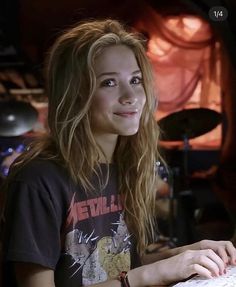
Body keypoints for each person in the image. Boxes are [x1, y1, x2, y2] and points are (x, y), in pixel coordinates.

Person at [1, 19, 236, 287]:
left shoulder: (126, 164)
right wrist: (150, 275)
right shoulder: (38, 178)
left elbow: (120, 267)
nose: (131, 96)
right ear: (75, 93)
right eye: (109, 83)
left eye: (135, 80)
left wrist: (185, 256)